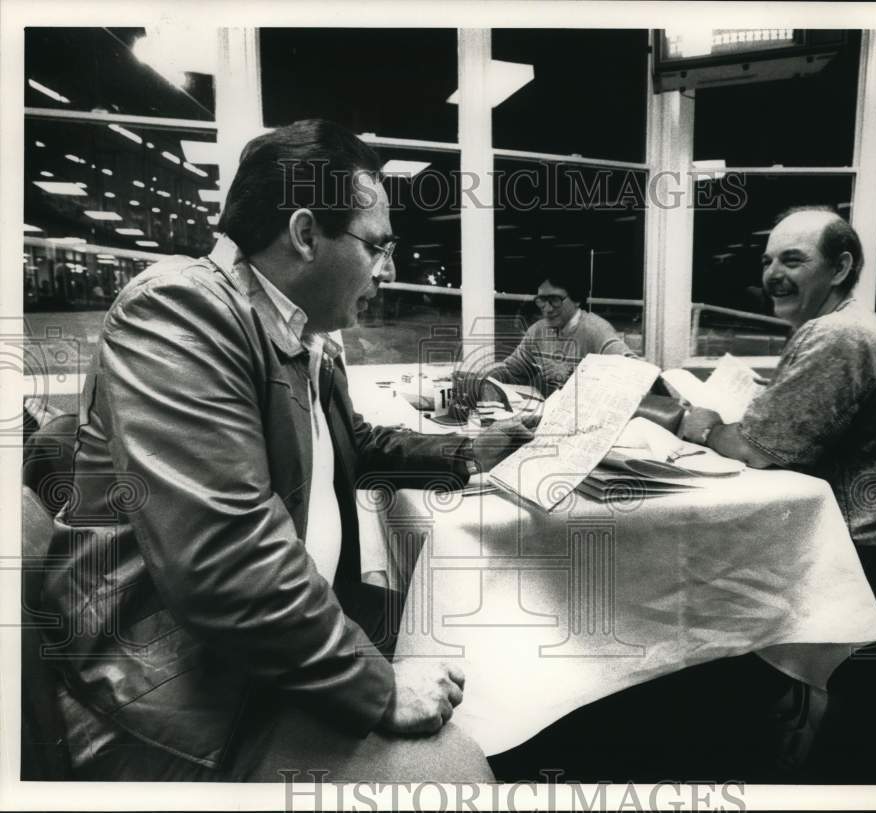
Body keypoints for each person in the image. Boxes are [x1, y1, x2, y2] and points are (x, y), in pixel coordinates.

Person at [37, 119, 534, 782]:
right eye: (377, 247)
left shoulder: (301, 330)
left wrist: (468, 453)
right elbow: (226, 557)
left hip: (254, 660)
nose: (387, 270)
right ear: (304, 235)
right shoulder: (179, 310)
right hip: (180, 698)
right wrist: (378, 688)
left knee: (460, 654)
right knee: (453, 771)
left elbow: (352, 442)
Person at [679, 206, 876, 596]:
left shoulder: (836, 335)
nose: (773, 275)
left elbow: (756, 450)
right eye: (768, 261)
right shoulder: (863, 324)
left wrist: (707, 427)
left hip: (855, 562)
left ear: (840, 269)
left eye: (793, 260)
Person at [468, 264, 635, 401]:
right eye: (541, 300)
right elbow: (512, 371)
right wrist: (481, 381)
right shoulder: (538, 330)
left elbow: (635, 375)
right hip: (549, 418)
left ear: (577, 299)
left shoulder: (596, 330)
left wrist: (573, 375)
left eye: (554, 300)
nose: (547, 309)